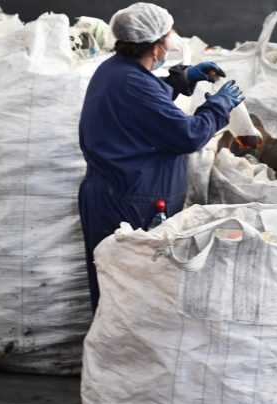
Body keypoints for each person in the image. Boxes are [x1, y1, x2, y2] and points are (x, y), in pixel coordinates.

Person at [78, 2, 244, 312]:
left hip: (115, 194)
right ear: (156, 48)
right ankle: (124, 357)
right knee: (130, 297)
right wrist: (219, 106)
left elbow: (147, 103)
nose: (171, 44)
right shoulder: (131, 82)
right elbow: (188, 135)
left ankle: (116, 355)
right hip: (129, 204)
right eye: (168, 37)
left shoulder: (116, 70)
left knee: (118, 291)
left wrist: (181, 80)